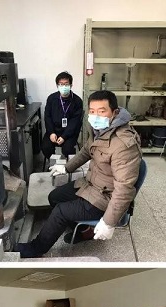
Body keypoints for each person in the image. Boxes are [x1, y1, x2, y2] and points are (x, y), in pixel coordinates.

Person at [15, 90, 142, 258]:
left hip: (105, 197)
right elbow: (86, 151)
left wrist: (109, 222)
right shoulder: (101, 130)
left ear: (114, 112)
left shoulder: (123, 145)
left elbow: (125, 189)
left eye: (102, 111)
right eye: (92, 111)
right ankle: (85, 230)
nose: (96, 116)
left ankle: (37, 248)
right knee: (54, 196)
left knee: (61, 211)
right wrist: (66, 168)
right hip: (91, 184)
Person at [41, 71, 84, 159]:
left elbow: (75, 122)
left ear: (71, 85)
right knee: (46, 147)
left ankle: (69, 165)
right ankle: (53, 163)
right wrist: (51, 133)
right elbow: (47, 117)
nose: (64, 86)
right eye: (61, 84)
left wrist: (64, 136)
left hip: (70, 132)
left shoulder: (77, 101)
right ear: (57, 85)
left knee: (68, 149)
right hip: (54, 130)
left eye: (66, 84)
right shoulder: (51, 98)